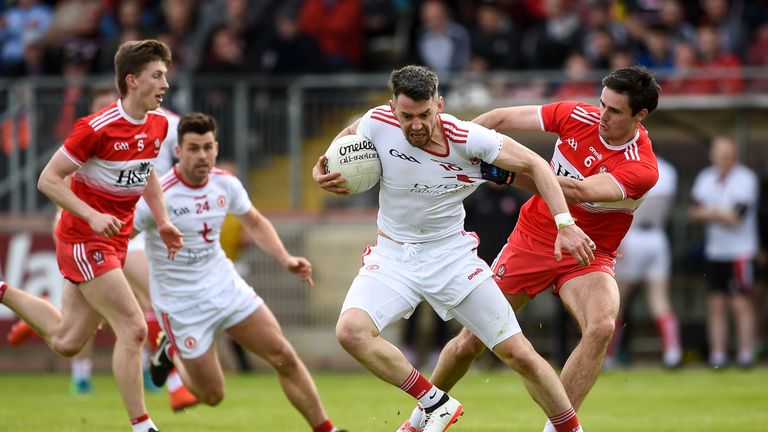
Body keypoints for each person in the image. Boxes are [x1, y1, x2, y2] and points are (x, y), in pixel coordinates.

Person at [313, 65, 595, 432]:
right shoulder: (376, 122)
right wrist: (325, 165)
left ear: (439, 105)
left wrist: (565, 224)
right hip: (393, 255)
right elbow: (348, 135)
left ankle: (571, 430)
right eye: (407, 116)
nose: (416, 125)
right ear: (392, 108)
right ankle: (435, 403)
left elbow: (536, 166)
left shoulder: (469, 138)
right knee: (350, 331)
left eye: (425, 115)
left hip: (451, 258)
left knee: (519, 354)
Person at [402, 66, 662, 432]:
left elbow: (581, 191)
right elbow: (501, 117)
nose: (601, 115)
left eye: (614, 111)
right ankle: (420, 419)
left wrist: (507, 171)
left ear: (640, 115)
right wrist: (458, 148)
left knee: (602, 325)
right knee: (469, 343)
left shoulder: (642, 167)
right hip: (533, 238)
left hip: (587, 251)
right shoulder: (577, 114)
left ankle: (558, 427)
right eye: (601, 104)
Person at [0, 39, 182, 432]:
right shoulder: (95, 128)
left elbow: (147, 170)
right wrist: (92, 214)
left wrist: (163, 220)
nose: (165, 83)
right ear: (132, 81)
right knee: (133, 327)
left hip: (115, 239)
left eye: (165, 74)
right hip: (83, 237)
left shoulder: (159, 124)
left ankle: (1, 290)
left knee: (67, 341)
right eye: (158, 75)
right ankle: (142, 424)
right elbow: (48, 179)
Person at [137, 112, 344, 432]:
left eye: (207, 147)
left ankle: (326, 429)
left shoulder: (226, 184)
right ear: (178, 152)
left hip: (225, 286)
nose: (202, 155)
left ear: (216, 147)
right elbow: (121, 236)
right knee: (213, 394)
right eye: (193, 148)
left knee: (283, 356)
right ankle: (172, 353)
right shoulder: (157, 196)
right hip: (182, 304)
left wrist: (285, 258)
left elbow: (255, 222)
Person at [689, 136, 759, 369]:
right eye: (719, 153)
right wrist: (719, 212)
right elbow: (694, 212)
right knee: (716, 303)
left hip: (740, 251)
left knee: (740, 302)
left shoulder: (746, 179)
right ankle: (718, 356)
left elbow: (736, 217)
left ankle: (745, 354)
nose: (723, 158)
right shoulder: (705, 178)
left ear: (734, 154)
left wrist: (710, 212)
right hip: (715, 250)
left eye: (727, 153)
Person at [609, 157, 682, 369]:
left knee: (617, 302)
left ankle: (608, 356)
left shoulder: (631, 165)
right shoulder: (668, 170)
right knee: (660, 300)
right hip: (657, 237)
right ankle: (673, 352)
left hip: (632, 236)